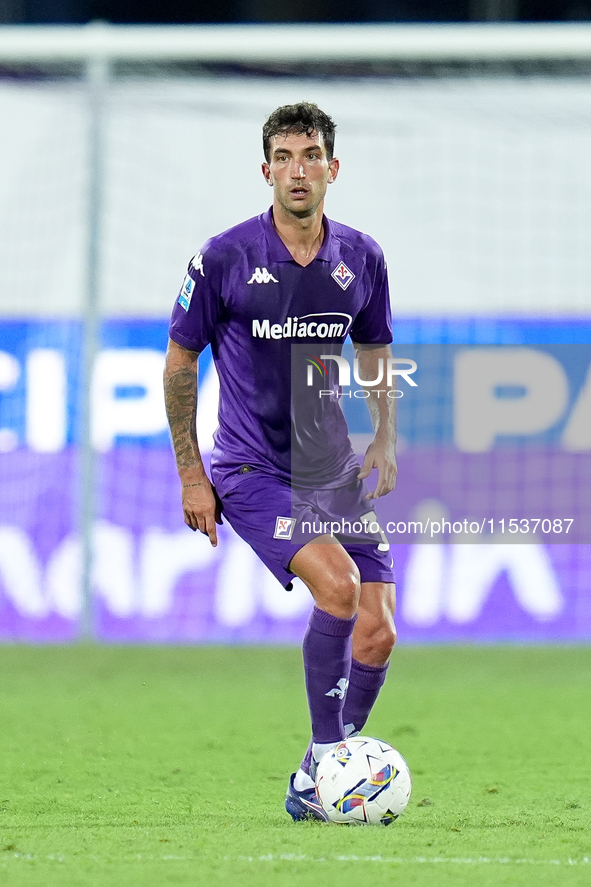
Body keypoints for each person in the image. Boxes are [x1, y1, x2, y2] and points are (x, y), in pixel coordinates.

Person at [163, 102, 397, 821]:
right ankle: (333, 761)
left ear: (333, 168)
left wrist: (384, 435)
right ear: (266, 170)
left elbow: (374, 349)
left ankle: (310, 778)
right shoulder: (225, 256)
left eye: (312, 154)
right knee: (338, 586)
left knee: (378, 629)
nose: (299, 169)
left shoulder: (361, 257)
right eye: (286, 157)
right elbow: (178, 365)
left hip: (331, 466)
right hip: (250, 470)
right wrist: (191, 473)